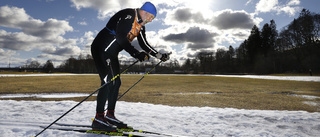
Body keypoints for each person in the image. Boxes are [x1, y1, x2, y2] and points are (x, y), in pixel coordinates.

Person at [90, 2, 170, 131]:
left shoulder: (141, 26)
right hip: (101, 48)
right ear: (144, 12)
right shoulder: (129, 15)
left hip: (111, 53)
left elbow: (144, 44)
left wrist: (159, 56)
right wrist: (135, 53)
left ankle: (109, 115)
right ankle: (99, 118)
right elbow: (121, 37)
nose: (150, 20)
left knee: (116, 83)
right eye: (151, 17)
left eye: (152, 19)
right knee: (108, 81)